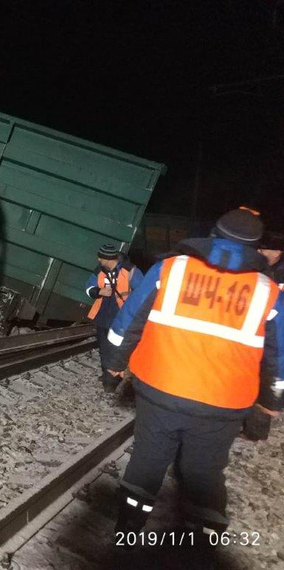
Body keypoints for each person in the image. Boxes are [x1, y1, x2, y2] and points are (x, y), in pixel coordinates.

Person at [103, 207, 284, 540]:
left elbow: (128, 323)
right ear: (256, 248)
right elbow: (278, 360)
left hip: (160, 388)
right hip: (224, 404)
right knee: (204, 470)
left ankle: (128, 527)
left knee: (149, 458)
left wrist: (113, 365)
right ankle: (203, 538)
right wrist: (269, 406)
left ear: (213, 234)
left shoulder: (169, 270)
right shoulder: (268, 292)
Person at [242, 230, 284, 441]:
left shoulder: (279, 273)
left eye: (263, 248)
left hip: (276, 331)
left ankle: (255, 431)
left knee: (267, 377)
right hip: (259, 328)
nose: (259, 251)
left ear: (276, 251)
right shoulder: (259, 268)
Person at [84, 244, 143, 392]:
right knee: (104, 348)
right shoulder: (99, 271)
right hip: (102, 315)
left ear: (108, 258)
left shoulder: (129, 271)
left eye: (101, 257)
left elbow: (142, 292)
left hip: (122, 318)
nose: (98, 259)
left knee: (116, 349)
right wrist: (99, 291)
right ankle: (107, 375)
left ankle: (112, 380)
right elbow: (88, 288)